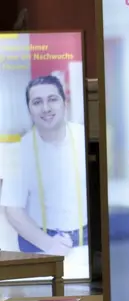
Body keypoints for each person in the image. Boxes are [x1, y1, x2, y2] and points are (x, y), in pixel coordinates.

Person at [0, 74, 88, 256]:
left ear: (65, 104)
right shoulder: (19, 151)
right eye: (37, 102)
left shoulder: (85, 139)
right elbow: (13, 210)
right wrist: (49, 245)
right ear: (29, 109)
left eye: (52, 99)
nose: (46, 108)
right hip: (37, 242)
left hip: (86, 238)